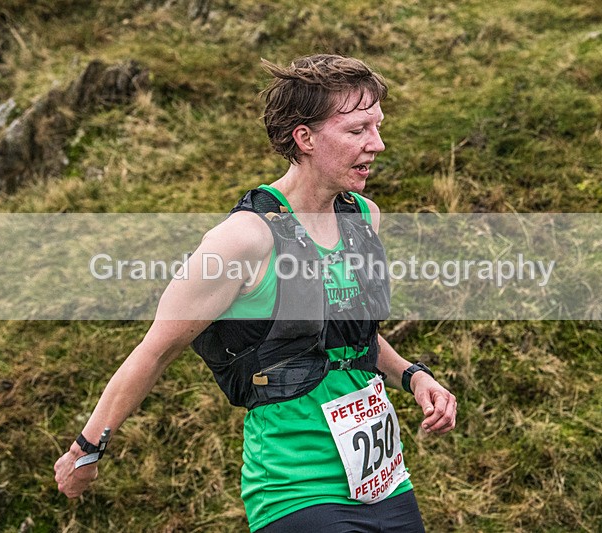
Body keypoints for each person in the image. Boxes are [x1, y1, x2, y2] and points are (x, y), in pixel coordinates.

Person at [54, 54, 457, 532]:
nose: (378, 144)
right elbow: (157, 350)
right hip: (296, 490)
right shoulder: (244, 239)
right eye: (357, 131)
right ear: (303, 138)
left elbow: (342, 332)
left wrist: (412, 376)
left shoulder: (362, 216)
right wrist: (88, 448)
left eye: (377, 127)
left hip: (386, 481)